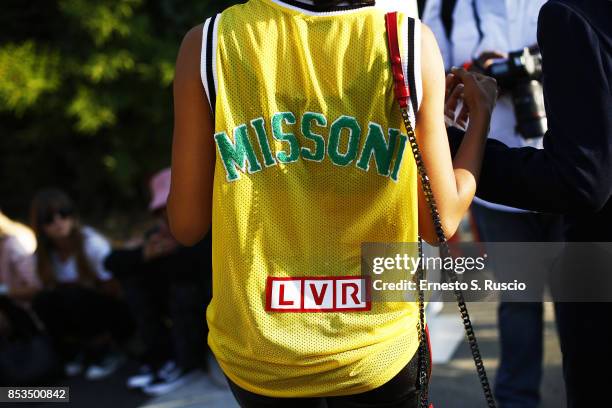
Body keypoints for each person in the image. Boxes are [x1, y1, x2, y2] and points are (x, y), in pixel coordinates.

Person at [168, 0, 497, 406]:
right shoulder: (408, 41)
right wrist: (479, 119)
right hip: (376, 349)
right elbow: (439, 222)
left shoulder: (209, 44)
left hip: (262, 351)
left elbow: (186, 225)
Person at [444, 1, 612, 407]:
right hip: (508, 200)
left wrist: (456, 147)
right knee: (519, 306)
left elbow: (583, 180)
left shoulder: (568, 14)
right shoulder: (453, 6)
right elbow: (438, 71)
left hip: (563, 197)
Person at [423, 2, 561, 407]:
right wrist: (474, 74)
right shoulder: (447, 6)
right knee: (519, 306)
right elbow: (431, 76)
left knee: (588, 303)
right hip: (497, 181)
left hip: (571, 174)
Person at [104, 168, 211, 396]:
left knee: (184, 286)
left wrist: (180, 250)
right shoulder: (158, 235)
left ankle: (187, 363)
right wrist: (144, 255)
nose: (169, 214)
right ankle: (162, 358)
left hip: (208, 308)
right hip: (174, 313)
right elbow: (111, 262)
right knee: (133, 281)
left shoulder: (212, 228)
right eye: (163, 210)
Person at [29, 188, 133, 381]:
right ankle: (77, 350)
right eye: (49, 218)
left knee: (75, 296)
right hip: (76, 314)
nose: (58, 221)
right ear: (40, 225)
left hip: (112, 311)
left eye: (63, 213)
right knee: (44, 300)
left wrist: (85, 286)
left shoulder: (91, 244)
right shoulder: (43, 257)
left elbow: (117, 290)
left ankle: (107, 348)